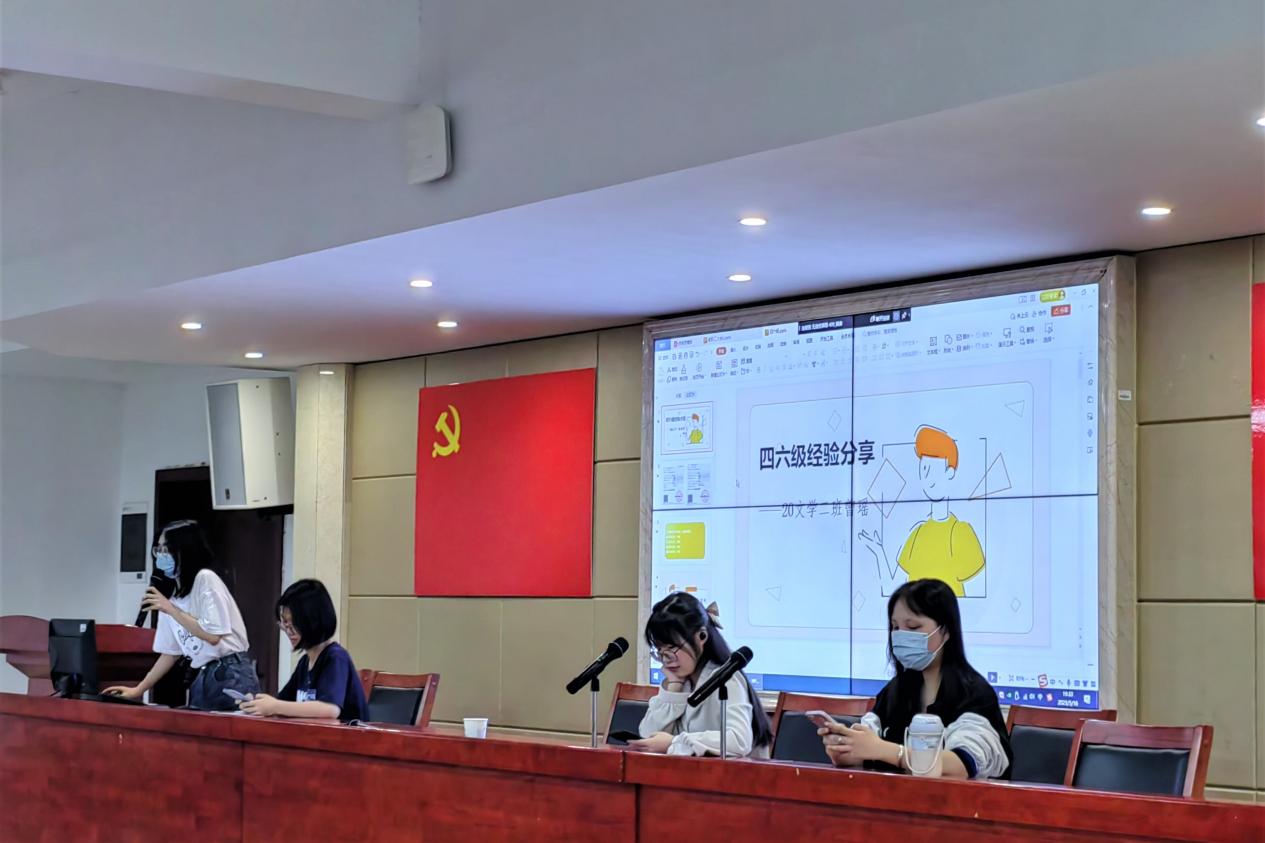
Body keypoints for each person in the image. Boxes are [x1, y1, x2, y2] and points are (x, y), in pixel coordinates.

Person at [818, 578, 1011, 779]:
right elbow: (870, 749)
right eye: (895, 627)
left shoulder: (974, 694)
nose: (901, 636)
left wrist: (886, 751)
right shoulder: (895, 690)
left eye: (912, 627)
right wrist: (846, 750)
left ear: (945, 631)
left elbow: (963, 764)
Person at [105, 519, 260, 709]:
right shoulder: (171, 597)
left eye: (167, 549)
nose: (161, 555)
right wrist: (138, 689)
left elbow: (212, 636)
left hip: (230, 671)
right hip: (202, 673)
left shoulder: (205, 580)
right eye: (158, 549)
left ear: (185, 550)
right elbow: (171, 653)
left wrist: (171, 610)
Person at [630, 592, 772, 758]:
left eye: (672, 647)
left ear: (701, 636)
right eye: (659, 649)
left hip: (740, 773)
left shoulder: (726, 678)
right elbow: (648, 736)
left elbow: (739, 740)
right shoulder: (684, 680)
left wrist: (674, 742)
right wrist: (674, 687)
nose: (665, 658)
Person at [858, 425, 986, 597]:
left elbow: (979, 597)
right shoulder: (917, 533)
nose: (927, 476)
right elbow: (893, 591)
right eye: (924, 469)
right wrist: (879, 552)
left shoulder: (961, 532)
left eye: (932, 468)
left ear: (949, 472)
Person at [238, 579, 366, 722]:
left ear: (314, 621)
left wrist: (274, 706)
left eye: (294, 624)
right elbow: (283, 701)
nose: (288, 631)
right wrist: (257, 703)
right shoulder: (305, 663)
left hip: (346, 735)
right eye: (285, 623)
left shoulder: (335, 658)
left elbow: (330, 709)